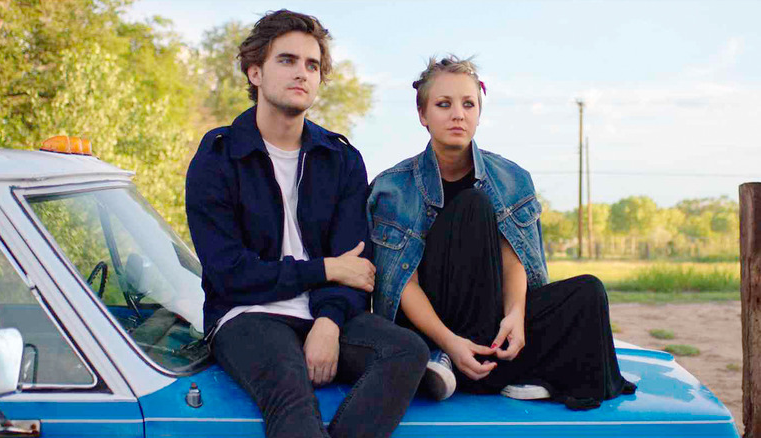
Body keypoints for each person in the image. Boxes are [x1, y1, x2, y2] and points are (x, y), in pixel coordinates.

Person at [186, 10, 428, 438]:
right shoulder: (218, 157)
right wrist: (324, 269)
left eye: (312, 65)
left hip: (322, 309)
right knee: (290, 390)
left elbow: (355, 264)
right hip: (246, 314)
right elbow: (230, 273)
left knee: (406, 350)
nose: (302, 73)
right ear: (255, 70)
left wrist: (329, 323)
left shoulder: (340, 159)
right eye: (287, 60)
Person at [367, 56, 636, 409]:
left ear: (479, 112)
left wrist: (515, 316)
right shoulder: (393, 187)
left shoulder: (511, 178)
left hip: (490, 318)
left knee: (587, 291)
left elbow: (514, 259)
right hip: (433, 328)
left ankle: (499, 367)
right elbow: (403, 285)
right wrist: (448, 341)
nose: (457, 114)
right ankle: (454, 360)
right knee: (473, 206)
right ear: (423, 115)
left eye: (468, 104)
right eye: (443, 104)